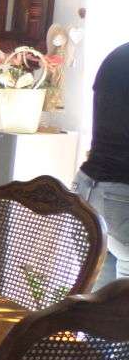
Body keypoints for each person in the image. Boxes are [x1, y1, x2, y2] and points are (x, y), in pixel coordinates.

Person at [74, 42, 129, 288]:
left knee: (98, 304)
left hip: (86, 189)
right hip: (122, 196)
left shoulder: (117, 55)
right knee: (122, 305)